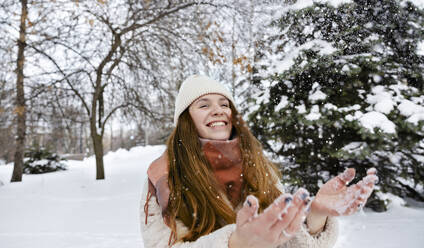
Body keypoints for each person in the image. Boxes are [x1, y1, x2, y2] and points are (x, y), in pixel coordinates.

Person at [140, 75, 378, 248]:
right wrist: (234, 243)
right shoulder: (164, 175)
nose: (218, 110)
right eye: (204, 105)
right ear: (185, 121)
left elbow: (284, 240)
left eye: (225, 104)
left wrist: (316, 216)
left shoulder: (256, 164)